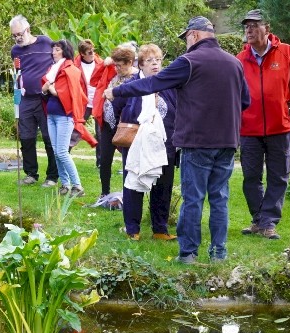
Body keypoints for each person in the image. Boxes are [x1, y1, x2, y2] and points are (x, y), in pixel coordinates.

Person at [105, 17, 249, 263]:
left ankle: (189, 253)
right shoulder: (234, 63)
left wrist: (117, 91)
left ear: (194, 35)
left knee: (193, 199)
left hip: (197, 142)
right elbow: (245, 101)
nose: (185, 44)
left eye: (186, 39)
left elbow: (151, 83)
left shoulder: (189, 62)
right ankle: (218, 253)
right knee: (219, 199)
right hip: (227, 141)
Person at [237, 9, 290, 240]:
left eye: (254, 25)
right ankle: (259, 220)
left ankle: (268, 222)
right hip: (249, 128)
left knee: (279, 176)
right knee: (251, 177)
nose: (249, 30)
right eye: (246, 26)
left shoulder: (288, 53)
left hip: (280, 127)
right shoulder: (240, 59)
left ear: (267, 28)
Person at [114, 44, 177, 241]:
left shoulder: (168, 85)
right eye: (150, 61)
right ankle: (133, 229)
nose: (155, 64)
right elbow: (114, 109)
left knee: (163, 185)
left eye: (158, 60)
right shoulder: (132, 84)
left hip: (164, 143)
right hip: (136, 143)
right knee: (133, 184)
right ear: (140, 64)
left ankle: (160, 229)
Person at [41, 39, 97, 197]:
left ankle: (77, 186)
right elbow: (45, 92)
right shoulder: (53, 69)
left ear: (65, 52)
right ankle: (65, 185)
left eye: (57, 49)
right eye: (53, 49)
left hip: (64, 116)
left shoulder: (70, 69)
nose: (54, 52)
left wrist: (49, 88)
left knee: (62, 152)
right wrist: (46, 90)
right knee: (56, 151)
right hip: (51, 115)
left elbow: (66, 94)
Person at [9, 15, 59, 187]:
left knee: (49, 137)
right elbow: (17, 75)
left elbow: (58, 62)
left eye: (19, 34)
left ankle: (52, 176)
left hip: (45, 98)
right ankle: (31, 174)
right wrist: (16, 100)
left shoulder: (45, 42)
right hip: (25, 99)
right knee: (26, 137)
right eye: (14, 35)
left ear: (28, 30)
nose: (17, 38)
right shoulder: (15, 51)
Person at [96, 45, 139, 199]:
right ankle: (104, 192)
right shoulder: (114, 76)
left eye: (119, 65)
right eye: (115, 65)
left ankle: (128, 195)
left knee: (128, 161)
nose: (117, 68)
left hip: (126, 125)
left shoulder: (137, 78)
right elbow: (95, 78)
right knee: (105, 158)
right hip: (108, 124)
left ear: (130, 63)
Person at [71, 39, 102, 166]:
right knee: (76, 129)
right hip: (83, 102)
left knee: (101, 133)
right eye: (89, 52)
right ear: (82, 54)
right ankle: (65, 154)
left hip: (98, 101)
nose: (92, 54)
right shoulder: (74, 65)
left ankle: (100, 162)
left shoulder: (100, 63)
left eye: (93, 51)